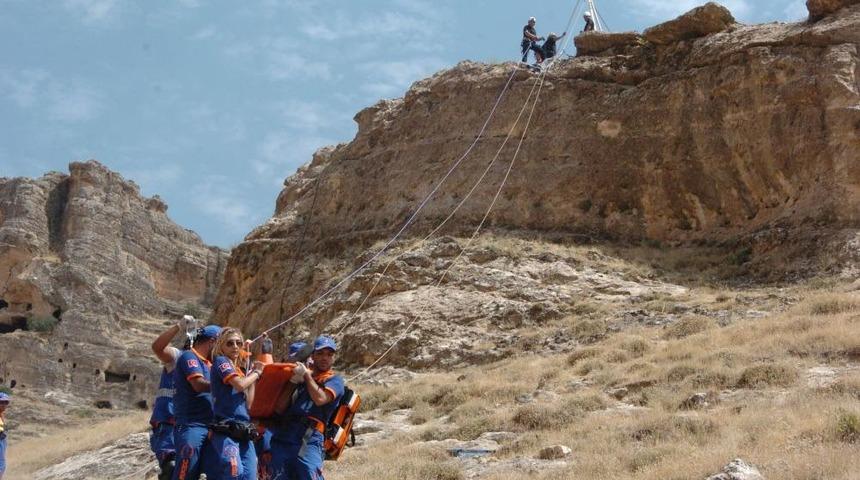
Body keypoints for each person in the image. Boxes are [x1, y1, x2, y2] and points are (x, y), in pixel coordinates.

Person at [269, 336, 345, 480]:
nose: (325, 358)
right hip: (285, 434)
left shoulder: (334, 380)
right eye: (320, 353)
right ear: (312, 356)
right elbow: (279, 407)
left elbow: (320, 399)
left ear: (333, 358)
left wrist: (306, 376)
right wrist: (293, 381)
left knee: (310, 474)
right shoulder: (301, 377)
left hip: (310, 437)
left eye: (329, 354)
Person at [206, 327, 265, 480]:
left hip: (243, 429)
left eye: (239, 343)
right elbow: (239, 385)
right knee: (234, 470)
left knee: (250, 476)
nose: (235, 346)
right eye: (230, 343)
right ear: (221, 346)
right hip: (225, 427)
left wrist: (251, 375)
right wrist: (257, 372)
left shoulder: (238, 370)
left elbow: (249, 404)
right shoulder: (221, 362)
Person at [173, 324, 221, 480]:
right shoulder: (189, 356)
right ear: (212, 341)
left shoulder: (209, 364)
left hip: (210, 426)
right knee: (186, 472)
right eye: (221, 344)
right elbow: (198, 385)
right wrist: (225, 384)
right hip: (192, 425)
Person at [150, 315, 196, 480]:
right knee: (171, 467)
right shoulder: (178, 357)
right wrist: (178, 326)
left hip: (190, 427)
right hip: (169, 424)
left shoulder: (208, 366)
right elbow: (158, 347)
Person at [0, 392, 9, 480]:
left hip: (2, 440)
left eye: (6, 402)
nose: (4, 404)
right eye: (2, 402)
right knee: (1, 465)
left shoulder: (1, 413)